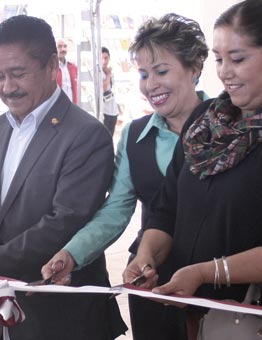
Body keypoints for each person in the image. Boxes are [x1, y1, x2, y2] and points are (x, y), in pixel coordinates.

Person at [123, 0, 262, 338]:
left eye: (238, 59)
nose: (224, 71)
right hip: (195, 323)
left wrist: (205, 273)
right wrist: (146, 254)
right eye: (219, 59)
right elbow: (167, 210)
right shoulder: (205, 122)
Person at [0, 15, 127, 340]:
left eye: (18, 74)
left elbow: (64, 222)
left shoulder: (85, 135)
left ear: (52, 66)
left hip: (64, 318)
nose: (7, 87)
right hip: (5, 311)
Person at [40, 13, 209, 340]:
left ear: (195, 68)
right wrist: (72, 253)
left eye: (162, 71)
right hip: (148, 273)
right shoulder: (134, 135)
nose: (151, 85)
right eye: (144, 74)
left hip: (213, 276)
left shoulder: (228, 127)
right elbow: (116, 209)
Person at [100, 46, 120, 135]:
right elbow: (103, 88)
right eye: (102, 58)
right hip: (105, 112)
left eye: (106, 58)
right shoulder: (99, 72)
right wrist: (108, 75)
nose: (104, 61)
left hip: (113, 111)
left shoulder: (110, 71)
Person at [56, 38, 79, 103]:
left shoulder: (73, 67)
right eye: (59, 46)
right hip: (57, 106)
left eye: (65, 46)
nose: (63, 49)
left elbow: (75, 88)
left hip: (71, 106)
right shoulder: (51, 68)